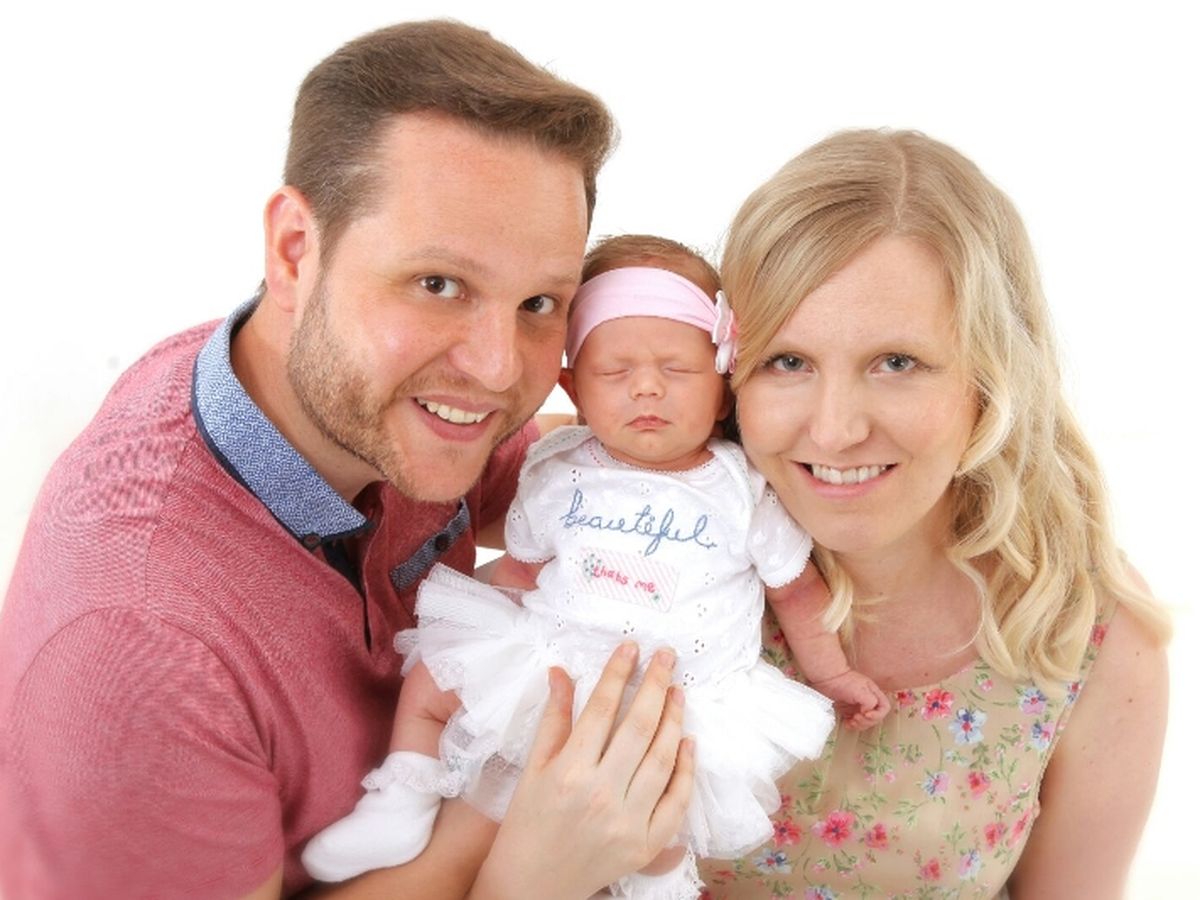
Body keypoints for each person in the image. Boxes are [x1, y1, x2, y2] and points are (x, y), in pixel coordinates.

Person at [0, 21, 694, 900]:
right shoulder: (136, 647)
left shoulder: (363, 398)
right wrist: (516, 870)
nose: (496, 369)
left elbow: (589, 468)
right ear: (295, 250)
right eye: (438, 284)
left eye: (538, 303)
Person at [301, 235, 889, 898]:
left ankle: (660, 884)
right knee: (434, 678)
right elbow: (522, 571)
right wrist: (487, 646)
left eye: (678, 370)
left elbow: (797, 593)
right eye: (615, 373)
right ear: (573, 388)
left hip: (676, 694)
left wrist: (831, 672)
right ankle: (401, 799)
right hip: (555, 660)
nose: (647, 388)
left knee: (668, 795)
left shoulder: (741, 489)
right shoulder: (557, 468)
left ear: (725, 391)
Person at [697, 128, 1171, 898]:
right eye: (788, 361)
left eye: (897, 363)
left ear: (990, 376)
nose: (835, 430)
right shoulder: (648, 555)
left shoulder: (1083, 628)